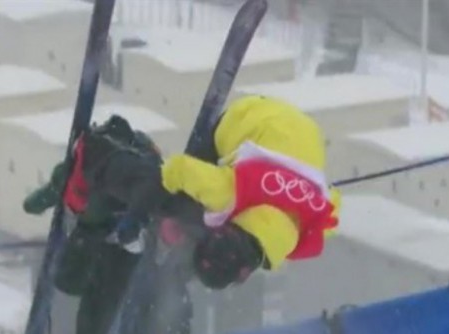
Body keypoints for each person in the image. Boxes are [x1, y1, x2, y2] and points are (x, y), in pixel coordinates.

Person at [23, 116, 225, 334]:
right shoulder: (104, 221)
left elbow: (194, 266)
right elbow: (69, 279)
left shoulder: (160, 207)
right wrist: (89, 227)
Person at [82, 94, 342, 290]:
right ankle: (98, 156)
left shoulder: (314, 226)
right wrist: (138, 213)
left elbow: (333, 202)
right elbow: (178, 169)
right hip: (251, 115)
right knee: (180, 201)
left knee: (196, 211)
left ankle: (172, 230)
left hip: (307, 131)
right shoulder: (227, 192)